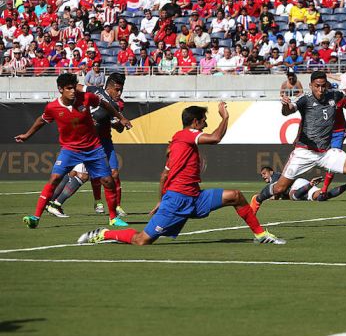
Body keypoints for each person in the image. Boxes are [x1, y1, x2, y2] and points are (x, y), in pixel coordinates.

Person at [77, 103, 285, 245]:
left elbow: (164, 175)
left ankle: (260, 234)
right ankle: (104, 234)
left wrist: (161, 199)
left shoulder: (179, 141)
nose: (205, 124)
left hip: (194, 197)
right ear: (195, 122)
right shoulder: (187, 135)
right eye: (203, 121)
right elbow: (215, 138)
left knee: (236, 196)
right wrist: (225, 117)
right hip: (177, 201)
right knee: (142, 240)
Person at [250, 71, 346, 222]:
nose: (320, 90)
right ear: (310, 86)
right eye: (317, 86)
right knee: (280, 188)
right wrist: (285, 106)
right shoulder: (304, 100)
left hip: (326, 153)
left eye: (323, 86)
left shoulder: (333, 95)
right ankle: (258, 199)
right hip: (304, 152)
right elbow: (289, 111)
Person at [16, 73, 132, 229]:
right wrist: (27, 135)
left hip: (93, 148)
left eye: (73, 88)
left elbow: (105, 105)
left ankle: (113, 218)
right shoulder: (52, 107)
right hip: (70, 149)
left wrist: (121, 118)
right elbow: (41, 120)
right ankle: (36, 217)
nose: (72, 91)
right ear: (60, 90)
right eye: (68, 88)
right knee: (55, 177)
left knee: (108, 181)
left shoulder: (87, 98)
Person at [47, 73, 128, 218]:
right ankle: (55, 203)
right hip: (89, 141)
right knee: (79, 174)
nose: (119, 93)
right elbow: (77, 87)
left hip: (105, 142)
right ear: (109, 87)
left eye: (121, 90)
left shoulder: (117, 105)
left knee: (113, 174)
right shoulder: (94, 90)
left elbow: (119, 128)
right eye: (117, 90)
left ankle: (115, 207)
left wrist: (117, 123)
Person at [321, 90, 346, 194]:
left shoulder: (341, 99)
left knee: (333, 160)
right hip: (324, 132)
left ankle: (324, 189)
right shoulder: (319, 100)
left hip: (338, 133)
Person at [260, 167, 346, 202]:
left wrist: (273, 197)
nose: (263, 176)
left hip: (297, 185)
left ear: (271, 172)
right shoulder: (277, 176)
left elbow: (277, 192)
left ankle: (311, 184)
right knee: (322, 196)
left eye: (264, 173)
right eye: (262, 175)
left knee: (294, 196)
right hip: (301, 186)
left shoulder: (275, 176)